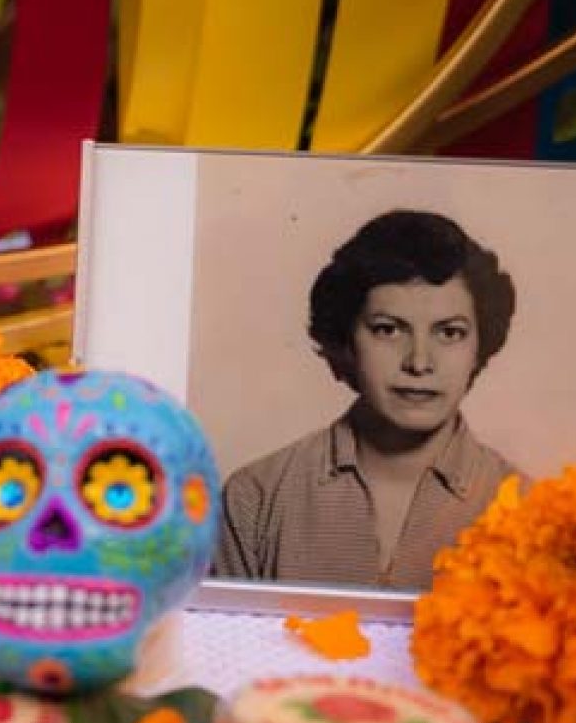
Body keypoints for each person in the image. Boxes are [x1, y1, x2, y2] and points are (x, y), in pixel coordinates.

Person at [215, 209, 518, 590]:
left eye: (450, 333)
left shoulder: (527, 511)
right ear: (345, 343)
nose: (419, 363)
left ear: (479, 349)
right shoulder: (256, 498)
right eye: (388, 330)